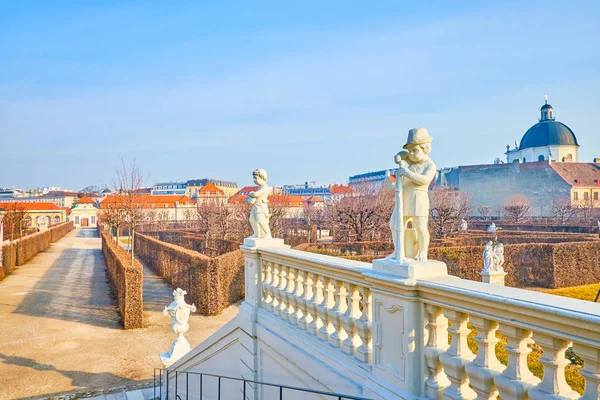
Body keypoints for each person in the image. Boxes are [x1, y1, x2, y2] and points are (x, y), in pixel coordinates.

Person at [390, 127, 437, 261]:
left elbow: (425, 179)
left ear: (425, 149)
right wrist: (399, 156)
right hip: (404, 197)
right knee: (394, 224)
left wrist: (407, 173)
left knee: (420, 226)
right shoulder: (413, 160)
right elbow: (404, 155)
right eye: (410, 150)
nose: (411, 154)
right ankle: (399, 250)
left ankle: (422, 252)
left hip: (418, 198)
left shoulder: (429, 165)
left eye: (414, 150)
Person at [246, 169, 272, 238]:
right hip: (256, 206)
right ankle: (257, 233)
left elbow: (256, 194)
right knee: (252, 219)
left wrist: (251, 193)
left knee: (260, 220)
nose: (254, 180)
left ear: (262, 177)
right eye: (253, 178)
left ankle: (267, 233)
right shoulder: (260, 187)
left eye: (256, 178)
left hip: (261, 207)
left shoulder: (264, 187)